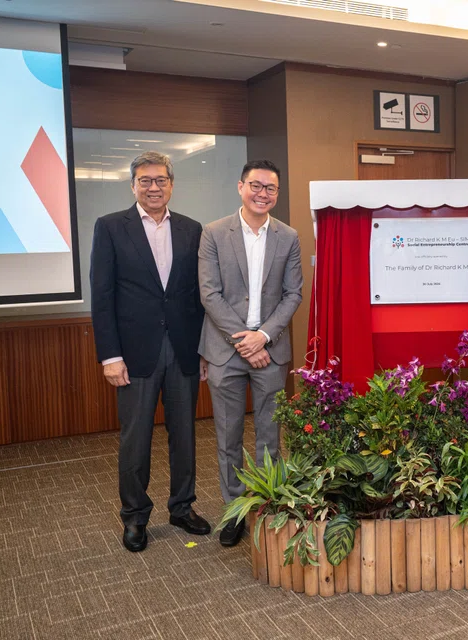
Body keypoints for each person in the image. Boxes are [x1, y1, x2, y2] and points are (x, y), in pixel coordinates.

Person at [90, 151, 211, 553]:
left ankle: (182, 506)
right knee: (135, 440)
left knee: (185, 436)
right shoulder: (110, 228)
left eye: (161, 180)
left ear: (172, 185)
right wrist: (109, 356)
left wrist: (205, 350)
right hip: (134, 353)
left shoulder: (193, 230)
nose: (154, 187)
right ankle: (135, 517)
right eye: (145, 180)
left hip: (183, 350)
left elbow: (200, 296)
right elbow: (102, 296)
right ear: (133, 185)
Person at [198, 159, 303, 547]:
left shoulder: (288, 236)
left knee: (269, 437)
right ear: (240, 187)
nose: (263, 193)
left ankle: (267, 505)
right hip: (226, 352)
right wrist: (245, 340)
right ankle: (236, 510)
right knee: (227, 436)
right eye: (256, 186)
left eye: (270, 188)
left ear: (277, 193)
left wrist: (264, 337)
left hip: (270, 352)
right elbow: (209, 293)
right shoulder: (213, 233)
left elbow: (293, 294)